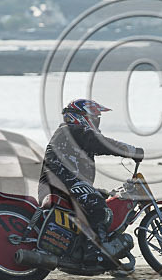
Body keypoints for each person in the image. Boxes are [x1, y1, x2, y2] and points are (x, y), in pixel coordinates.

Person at [38, 98, 144, 262]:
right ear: (82, 116)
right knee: (98, 205)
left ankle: (98, 252)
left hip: (61, 185)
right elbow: (101, 143)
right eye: (95, 117)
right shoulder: (72, 130)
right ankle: (94, 251)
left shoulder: (71, 133)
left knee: (103, 198)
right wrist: (132, 151)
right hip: (60, 185)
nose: (97, 121)